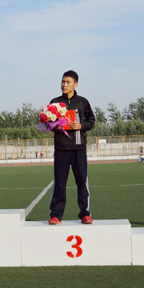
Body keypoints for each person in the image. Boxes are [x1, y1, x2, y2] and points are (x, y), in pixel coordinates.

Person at [48, 70, 96, 225]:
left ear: (75, 84)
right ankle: (56, 215)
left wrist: (81, 125)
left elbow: (91, 120)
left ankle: (85, 214)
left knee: (82, 181)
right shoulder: (55, 102)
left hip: (78, 148)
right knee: (60, 183)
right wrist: (54, 126)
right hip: (61, 148)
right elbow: (48, 122)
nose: (64, 85)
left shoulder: (82, 102)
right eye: (63, 82)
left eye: (68, 82)